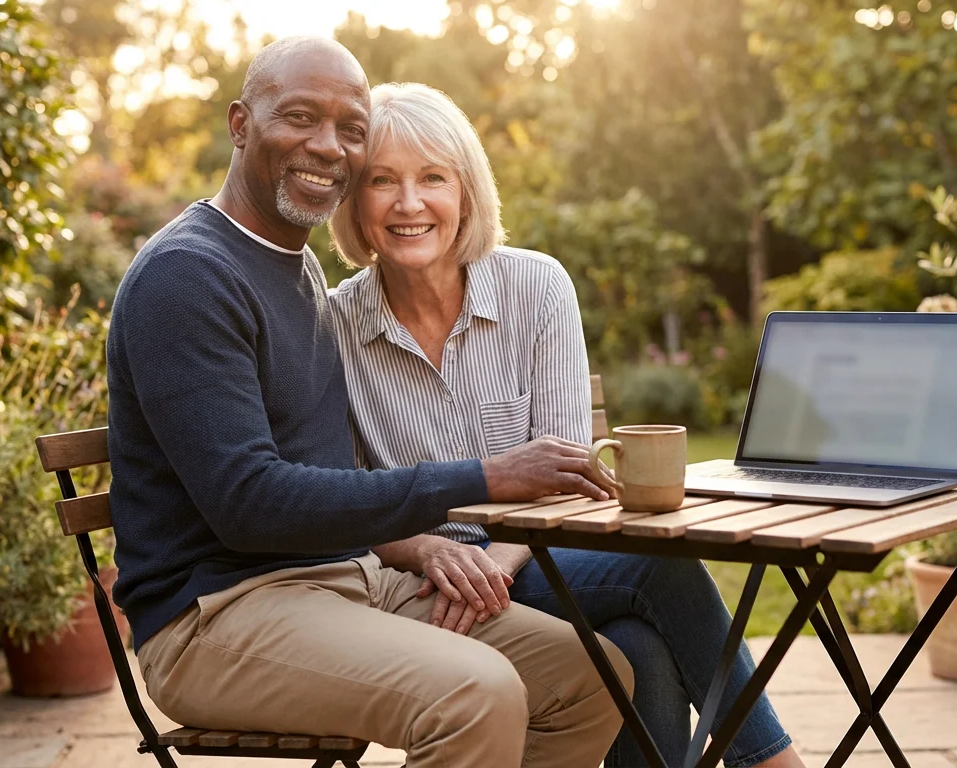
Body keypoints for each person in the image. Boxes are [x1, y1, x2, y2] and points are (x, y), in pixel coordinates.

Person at [106, 38, 632, 768]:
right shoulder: (188, 276)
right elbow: (248, 502)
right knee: (475, 694)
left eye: (350, 128)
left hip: (345, 581)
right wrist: (485, 476)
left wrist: (417, 548)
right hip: (216, 618)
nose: (327, 146)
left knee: (591, 676)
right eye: (299, 117)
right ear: (239, 124)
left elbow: (326, 475)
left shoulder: (297, 275)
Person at [328, 82, 805, 768]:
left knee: (647, 613)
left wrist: (497, 561)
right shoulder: (334, 325)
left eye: (432, 177)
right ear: (355, 201)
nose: (409, 203)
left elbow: (567, 469)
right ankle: (773, 762)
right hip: (418, 584)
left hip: (537, 554)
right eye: (382, 181)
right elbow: (341, 493)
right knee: (647, 612)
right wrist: (433, 552)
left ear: (465, 190)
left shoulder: (537, 287)